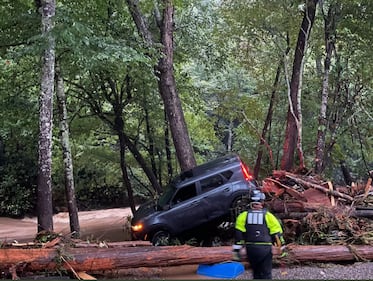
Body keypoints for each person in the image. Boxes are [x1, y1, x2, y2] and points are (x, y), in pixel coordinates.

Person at [232, 189, 285, 279]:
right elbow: (276, 233)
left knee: (256, 274)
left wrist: (237, 251)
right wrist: (282, 247)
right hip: (265, 249)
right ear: (262, 202)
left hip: (251, 249)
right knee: (266, 274)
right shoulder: (268, 216)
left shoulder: (243, 216)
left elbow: (238, 235)